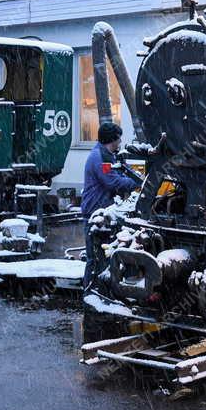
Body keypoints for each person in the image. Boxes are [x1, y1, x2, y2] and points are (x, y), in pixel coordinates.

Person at [81, 122, 138, 287]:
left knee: (104, 256)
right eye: (118, 140)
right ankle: (90, 292)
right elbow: (112, 181)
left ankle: (101, 290)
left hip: (102, 210)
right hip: (94, 213)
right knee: (95, 257)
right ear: (111, 140)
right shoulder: (99, 158)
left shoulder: (106, 155)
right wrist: (136, 183)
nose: (120, 143)